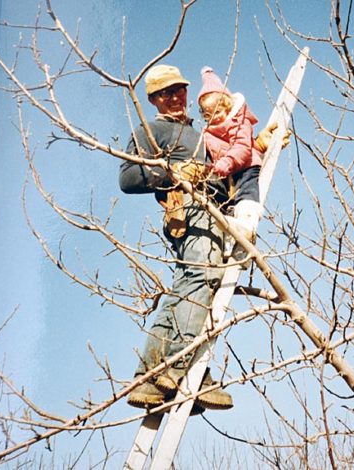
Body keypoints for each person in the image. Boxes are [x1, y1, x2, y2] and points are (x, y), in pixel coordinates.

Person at [119, 64, 281, 410]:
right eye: (166, 93)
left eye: (179, 89)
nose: (175, 97)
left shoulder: (202, 131)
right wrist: (170, 171)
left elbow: (233, 157)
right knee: (201, 277)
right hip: (190, 209)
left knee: (192, 284)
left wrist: (261, 144)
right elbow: (128, 177)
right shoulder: (154, 130)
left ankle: (163, 375)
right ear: (153, 100)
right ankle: (177, 367)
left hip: (220, 212)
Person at [197, 66, 264, 248]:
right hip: (226, 174)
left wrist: (227, 162)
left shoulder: (239, 121)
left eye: (218, 112)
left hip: (245, 165)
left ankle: (248, 223)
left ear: (227, 107)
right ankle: (235, 241)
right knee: (229, 204)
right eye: (209, 115)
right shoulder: (207, 133)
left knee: (246, 192)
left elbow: (242, 146)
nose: (215, 119)